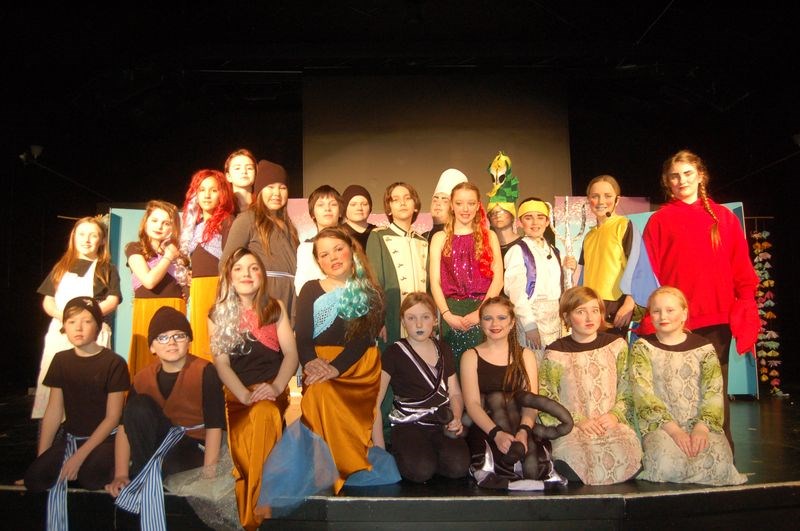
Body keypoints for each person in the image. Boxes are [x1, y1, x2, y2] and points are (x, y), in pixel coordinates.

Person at [642, 149, 759, 451]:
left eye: (688, 174)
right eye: (675, 176)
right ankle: (680, 454)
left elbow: (741, 266)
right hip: (674, 320)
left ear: (701, 176)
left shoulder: (724, 218)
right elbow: (650, 272)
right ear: (667, 182)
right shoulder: (659, 220)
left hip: (717, 317)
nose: (682, 181)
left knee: (714, 390)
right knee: (675, 389)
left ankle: (721, 454)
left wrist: (745, 303)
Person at [105, 307, 226, 529]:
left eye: (179, 336)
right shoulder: (142, 378)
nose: (171, 342)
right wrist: (121, 473)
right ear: (152, 346)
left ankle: (146, 477)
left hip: (192, 445)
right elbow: (125, 428)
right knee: (138, 407)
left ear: (189, 340)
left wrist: (209, 474)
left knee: (173, 469)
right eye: (163, 337)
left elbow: (215, 426)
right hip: (155, 448)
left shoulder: (204, 371)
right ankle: (142, 474)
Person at [294, 227, 393, 491]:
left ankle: (350, 464)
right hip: (319, 363)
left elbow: (362, 340)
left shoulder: (369, 290)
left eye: (338, 249)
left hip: (357, 365)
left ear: (351, 250)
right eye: (324, 254)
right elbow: (302, 335)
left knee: (327, 389)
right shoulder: (310, 289)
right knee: (318, 393)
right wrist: (311, 362)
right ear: (318, 262)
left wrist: (335, 368)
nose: (333, 257)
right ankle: (325, 468)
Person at [208, 248, 299, 530]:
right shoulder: (216, 314)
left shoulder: (275, 308)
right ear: (229, 277)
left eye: (253, 268)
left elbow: (292, 356)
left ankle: (255, 511)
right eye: (239, 269)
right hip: (238, 394)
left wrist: (274, 386)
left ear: (262, 274)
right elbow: (221, 365)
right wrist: (244, 394)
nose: (246, 274)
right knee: (245, 449)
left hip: (272, 392)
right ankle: (258, 507)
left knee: (264, 414)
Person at [24, 297, 129, 528]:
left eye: (86, 321)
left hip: (104, 440)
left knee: (91, 478)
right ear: (65, 327)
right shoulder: (61, 360)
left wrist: (78, 457)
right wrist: (43, 456)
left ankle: (120, 464)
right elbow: (54, 410)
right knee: (35, 479)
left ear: (98, 326)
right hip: (72, 439)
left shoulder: (114, 362)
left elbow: (113, 417)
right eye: (71, 322)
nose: (78, 328)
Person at [630, 286, 747, 486]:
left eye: (670, 310)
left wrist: (701, 428)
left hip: (701, 424)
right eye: (656, 311)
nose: (662, 316)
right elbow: (644, 395)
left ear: (684, 313)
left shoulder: (704, 348)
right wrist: (675, 431)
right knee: (666, 465)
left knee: (719, 466)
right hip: (663, 426)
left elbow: (714, 392)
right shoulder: (642, 348)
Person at [460, 296, 572, 490]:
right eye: (488, 318)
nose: (495, 324)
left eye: (502, 318)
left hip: (520, 422)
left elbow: (531, 402)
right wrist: (496, 434)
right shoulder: (470, 356)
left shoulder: (525, 355)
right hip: (486, 424)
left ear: (512, 323)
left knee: (535, 464)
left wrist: (523, 431)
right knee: (498, 461)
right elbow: (472, 405)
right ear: (481, 322)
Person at [538, 286, 642, 485]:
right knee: (576, 461)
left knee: (629, 455)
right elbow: (547, 396)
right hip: (574, 428)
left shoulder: (616, 345)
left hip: (612, 425)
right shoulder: (555, 352)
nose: (589, 317)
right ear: (566, 317)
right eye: (581, 311)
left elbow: (628, 387)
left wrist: (615, 415)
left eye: (595, 310)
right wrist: (577, 421)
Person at [372, 292, 470, 483]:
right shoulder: (393, 353)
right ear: (402, 321)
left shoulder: (443, 349)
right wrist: (379, 448)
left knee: (459, 467)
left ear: (434, 320)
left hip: (440, 423)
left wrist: (456, 417)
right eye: (411, 318)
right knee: (421, 471)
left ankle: (429, 455)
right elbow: (374, 402)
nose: (418, 324)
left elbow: (455, 392)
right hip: (408, 424)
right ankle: (409, 454)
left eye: (425, 317)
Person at [33, 215, 121, 419]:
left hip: (92, 334)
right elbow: (48, 301)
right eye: (82, 234)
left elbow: (112, 300)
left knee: (89, 391)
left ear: (102, 240)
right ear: (73, 237)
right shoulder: (61, 267)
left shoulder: (106, 268)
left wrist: (85, 317)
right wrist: (67, 318)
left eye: (93, 235)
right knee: (55, 392)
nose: (87, 239)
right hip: (61, 333)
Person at [430, 182, 504, 368]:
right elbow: (435, 282)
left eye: (471, 203)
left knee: (481, 371)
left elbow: (498, 279)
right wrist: (447, 315)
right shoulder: (440, 238)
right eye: (460, 203)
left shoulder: (490, 236)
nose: (465, 208)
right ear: (452, 205)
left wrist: (480, 312)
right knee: (453, 371)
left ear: (478, 205)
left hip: (483, 311)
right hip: (451, 312)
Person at [573, 175, 654, 338]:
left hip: (616, 306)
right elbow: (585, 274)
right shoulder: (589, 236)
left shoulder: (624, 226)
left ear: (617, 200)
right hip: (591, 305)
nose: (601, 201)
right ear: (589, 200)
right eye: (595, 196)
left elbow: (639, 267)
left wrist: (629, 304)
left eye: (607, 196)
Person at [221, 159, 300, 323]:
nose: (277, 193)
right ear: (260, 190)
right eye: (270, 187)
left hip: (290, 296)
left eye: (282, 188)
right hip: (262, 297)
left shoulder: (289, 226)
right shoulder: (247, 219)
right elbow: (226, 262)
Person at [126, 200, 188, 379]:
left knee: (175, 362)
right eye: (154, 220)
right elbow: (149, 281)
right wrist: (169, 256)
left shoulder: (180, 254)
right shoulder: (135, 248)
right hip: (147, 311)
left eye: (166, 223)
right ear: (145, 222)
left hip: (175, 309)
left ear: (174, 227)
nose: (159, 226)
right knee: (147, 364)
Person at [366, 182, 429, 349]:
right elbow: (374, 283)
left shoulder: (422, 241)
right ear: (389, 208)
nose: (402, 203)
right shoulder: (378, 236)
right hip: (392, 318)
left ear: (415, 206)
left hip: (422, 319)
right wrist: (379, 321)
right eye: (396, 199)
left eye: (407, 198)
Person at [180, 169, 235, 361]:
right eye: (202, 190)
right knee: (199, 340)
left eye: (213, 190)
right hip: (197, 290)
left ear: (222, 194)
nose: (207, 195)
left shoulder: (227, 221)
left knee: (219, 342)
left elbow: (231, 261)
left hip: (218, 287)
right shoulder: (191, 226)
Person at [503, 197, 565, 357]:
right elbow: (516, 294)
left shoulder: (552, 250)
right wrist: (529, 326)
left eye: (540, 217)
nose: (535, 222)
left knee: (553, 369)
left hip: (555, 320)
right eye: (528, 217)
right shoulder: (518, 251)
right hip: (532, 318)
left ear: (547, 221)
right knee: (534, 368)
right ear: (520, 222)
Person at [294, 185, 343, 295]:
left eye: (333, 204)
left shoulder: (350, 245)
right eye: (321, 205)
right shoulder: (306, 247)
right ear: (312, 214)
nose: (327, 209)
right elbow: (301, 285)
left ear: (340, 212)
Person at [485, 151, 521, 260]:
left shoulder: (525, 246)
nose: (497, 215)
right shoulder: (486, 248)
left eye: (502, 211)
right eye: (493, 213)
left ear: (512, 215)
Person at [425, 168, 468, 243]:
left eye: (444, 201)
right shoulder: (422, 238)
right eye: (435, 200)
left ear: (453, 207)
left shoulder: (461, 238)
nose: (438, 203)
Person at [341, 184, 376, 251]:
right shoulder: (338, 233)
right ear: (345, 208)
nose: (359, 208)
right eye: (353, 204)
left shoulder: (378, 233)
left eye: (364, 204)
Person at [224, 148, 257, 214]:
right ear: (228, 176)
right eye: (237, 168)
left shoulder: (262, 205)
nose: (244, 172)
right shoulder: (222, 207)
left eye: (249, 168)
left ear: (255, 174)